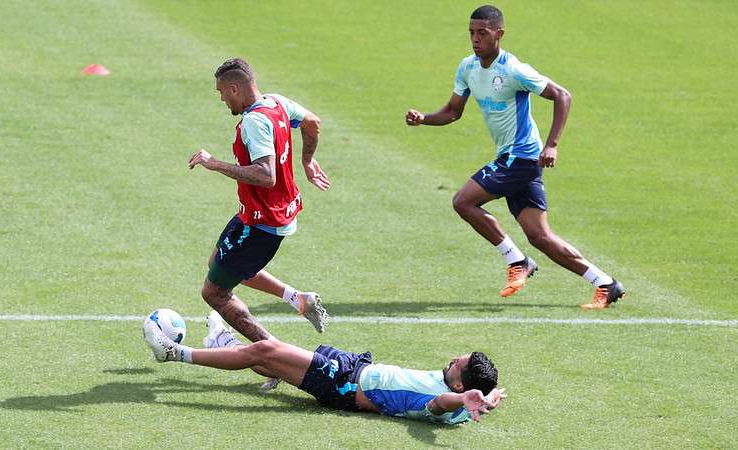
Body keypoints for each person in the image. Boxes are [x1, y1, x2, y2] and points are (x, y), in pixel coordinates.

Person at [405, 5, 625, 309]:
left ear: (499, 34)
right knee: (541, 236)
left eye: (482, 33)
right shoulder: (468, 67)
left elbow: (562, 95)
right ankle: (605, 283)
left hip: (521, 156)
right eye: (471, 33)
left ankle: (517, 261)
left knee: (463, 201)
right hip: (514, 159)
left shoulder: (513, 69)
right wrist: (424, 119)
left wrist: (553, 145)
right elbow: (453, 112)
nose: (475, 39)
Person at [187, 58, 330, 387]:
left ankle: (273, 360)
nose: (222, 99)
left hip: (262, 224)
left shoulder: (253, 122)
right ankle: (299, 300)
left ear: (235, 88)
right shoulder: (277, 102)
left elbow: (266, 175)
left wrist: (215, 164)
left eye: (223, 92)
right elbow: (312, 122)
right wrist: (306, 161)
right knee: (219, 264)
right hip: (257, 214)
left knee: (215, 293)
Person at [143, 311, 506, 424]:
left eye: (461, 365)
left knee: (267, 350)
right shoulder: (463, 399)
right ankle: (222, 344)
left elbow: (438, 405)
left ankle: (176, 353)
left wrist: (463, 399)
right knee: (273, 359)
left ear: (460, 388)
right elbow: (463, 402)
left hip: (345, 387)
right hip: (354, 370)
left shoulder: (442, 402)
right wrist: (487, 396)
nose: (456, 359)